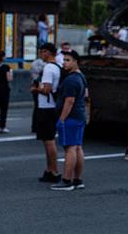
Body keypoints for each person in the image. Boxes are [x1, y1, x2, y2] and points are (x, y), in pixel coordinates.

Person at [51, 50, 87, 191]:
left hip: (70, 118)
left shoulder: (71, 79)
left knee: (70, 149)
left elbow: (69, 101)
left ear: (75, 61)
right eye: (64, 60)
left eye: (68, 60)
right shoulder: (80, 76)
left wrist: (62, 119)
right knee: (77, 147)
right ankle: (78, 179)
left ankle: (66, 180)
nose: (64, 62)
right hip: (79, 115)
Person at [30, 42, 61, 182]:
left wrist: (36, 89)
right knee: (48, 140)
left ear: (48, 52)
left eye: (42, 52)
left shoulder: (48, 68)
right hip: (51, 107)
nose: (40, 54)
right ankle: (49, 169)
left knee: (49, 141)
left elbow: (47, 89)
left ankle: (53, 171)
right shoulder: (57, 66)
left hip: (46, 108)